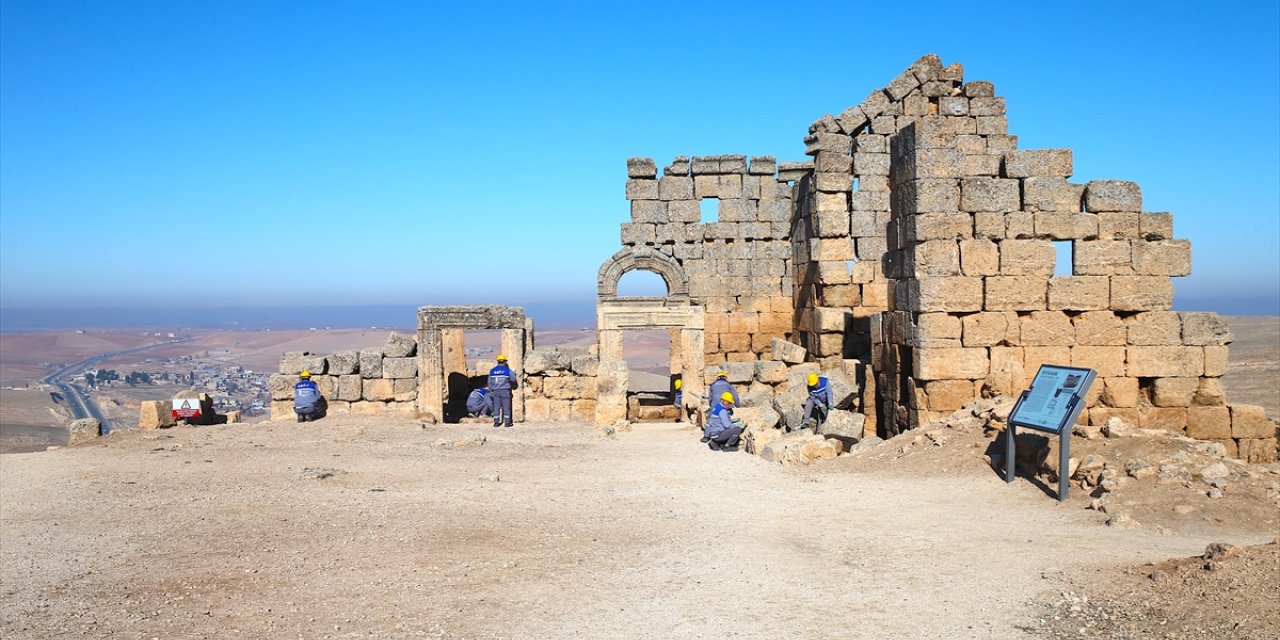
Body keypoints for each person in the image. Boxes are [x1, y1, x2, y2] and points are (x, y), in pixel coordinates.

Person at [487, 354, 517, 427]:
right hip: (505, 390)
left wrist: (491, 390)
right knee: (506, 406)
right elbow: (513, 379)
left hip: (496, 391)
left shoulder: (492, 370)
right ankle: (507, 422)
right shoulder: (507, 370)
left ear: (498, 362)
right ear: (504, 362)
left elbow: (489, 382)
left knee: (496, 407)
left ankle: (496, 422)